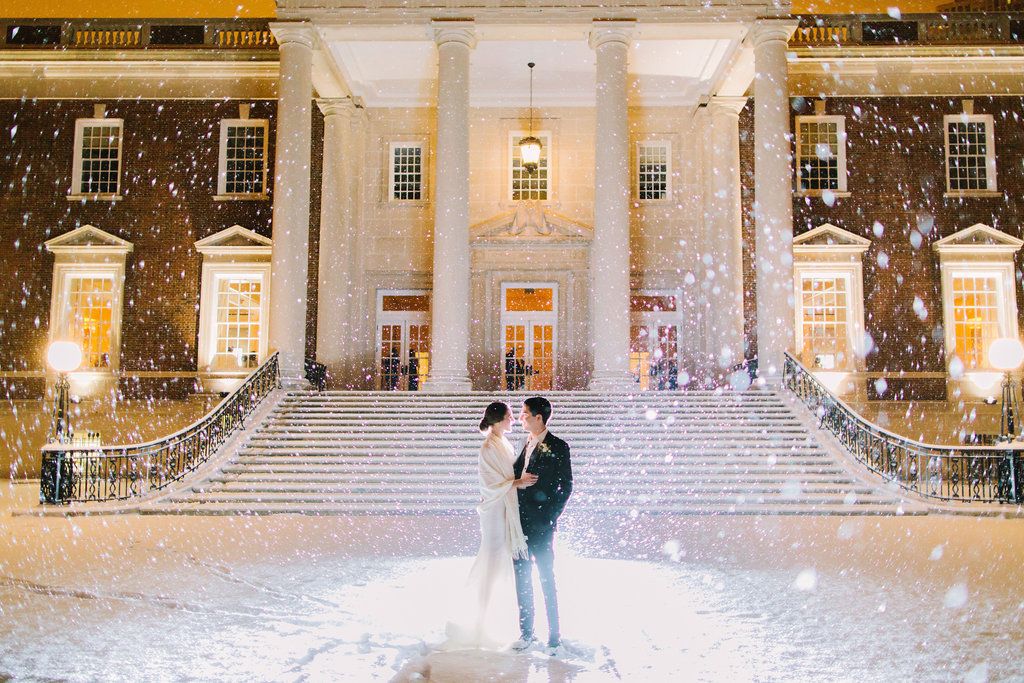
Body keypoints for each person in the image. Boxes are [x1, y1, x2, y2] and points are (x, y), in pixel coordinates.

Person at [442, 402, 538, 650]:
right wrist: (517, 483)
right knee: (492, 559)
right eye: (509, 417)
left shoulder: (502, 443)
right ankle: (478, 620)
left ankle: (488, 617)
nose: (513, 420)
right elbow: (490, 485)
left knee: (498, 561)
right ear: (497, 420)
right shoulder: (488, 447)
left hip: (503, 508)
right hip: (494, 510)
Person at [511, 396, 573, 656]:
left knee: (546, 577)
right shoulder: (522, 443)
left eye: (525, 413)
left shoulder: (558, 446)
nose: (520, 417)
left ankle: (554, 636)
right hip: (518, 524)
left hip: (542, 524)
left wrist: (550, 517)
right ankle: (526, 633)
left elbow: (566, 486)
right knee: (522, 578)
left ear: (539, 417)